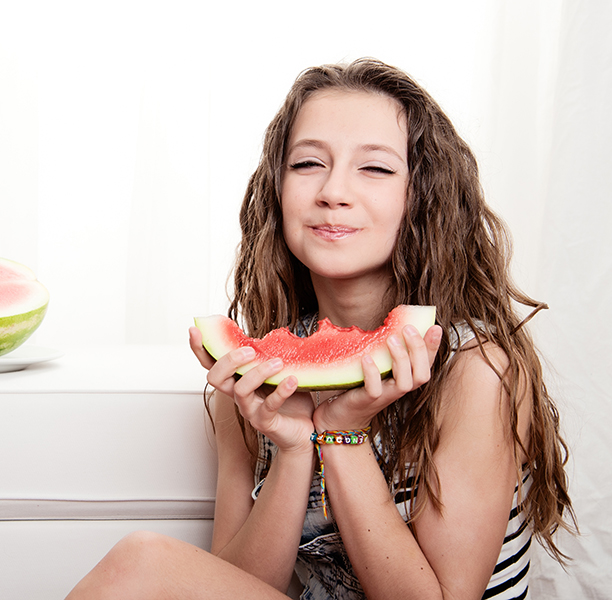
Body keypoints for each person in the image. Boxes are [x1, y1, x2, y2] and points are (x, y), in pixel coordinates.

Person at [65, 58, 575, 600]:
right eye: (308, 163)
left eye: (375, 169)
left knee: (140, 563)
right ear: (277, 189)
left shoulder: (478, 371)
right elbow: (231, 588)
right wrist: (291, 447)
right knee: (142, 568)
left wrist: (342, 434)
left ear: (422, 196)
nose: (333, 191)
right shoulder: (254, 377)